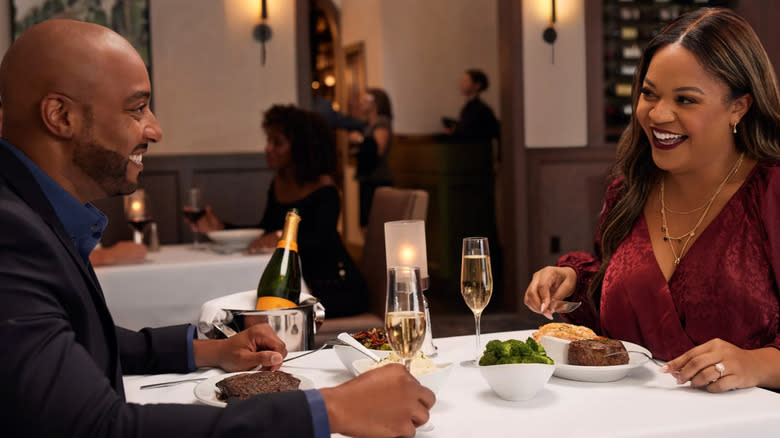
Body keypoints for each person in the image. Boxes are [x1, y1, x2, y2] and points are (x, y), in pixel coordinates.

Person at [0, 19, 434, 437]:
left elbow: (78, 339)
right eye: (137, 108)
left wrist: (207, 348)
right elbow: (97, 428)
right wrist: (331, 409)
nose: (156, 128)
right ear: (60, 116)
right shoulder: (11, 236)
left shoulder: (28, 213)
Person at [524, 8, 780, 394]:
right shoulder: (630, 188)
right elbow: (624, 313)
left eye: (686, 100)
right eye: (649, 93)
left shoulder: (771, 190)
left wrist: (760, 363)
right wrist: (576, 282)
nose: (658, 114)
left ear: (738, 107)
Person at [195, 105, 369, 318]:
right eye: (269, 141)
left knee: (259, 308)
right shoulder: (279, 183)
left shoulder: (325, 187)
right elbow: (266, 230)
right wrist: (220, 227)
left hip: (334, 285)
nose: (268, 148)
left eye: (277, 143)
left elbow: (321, 241)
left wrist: (278, 237)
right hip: (293, 283)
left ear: (300, 148)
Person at [349, 88, 394, 228]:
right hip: (367, 176)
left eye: (366, 97)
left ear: (376, 102)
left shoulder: (382, 122)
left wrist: (360, 140)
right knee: (365, 224)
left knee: (376, 223)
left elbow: (378, 150)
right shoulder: (368, 123)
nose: (362, 101)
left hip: (377, 177)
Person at [442, 69, 499, 145]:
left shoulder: (482, 109)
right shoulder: (468, 107)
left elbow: (473, 133)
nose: (461, 84)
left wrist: (456, 131)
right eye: (462, 81)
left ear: (477, 85)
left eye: (466, 81)